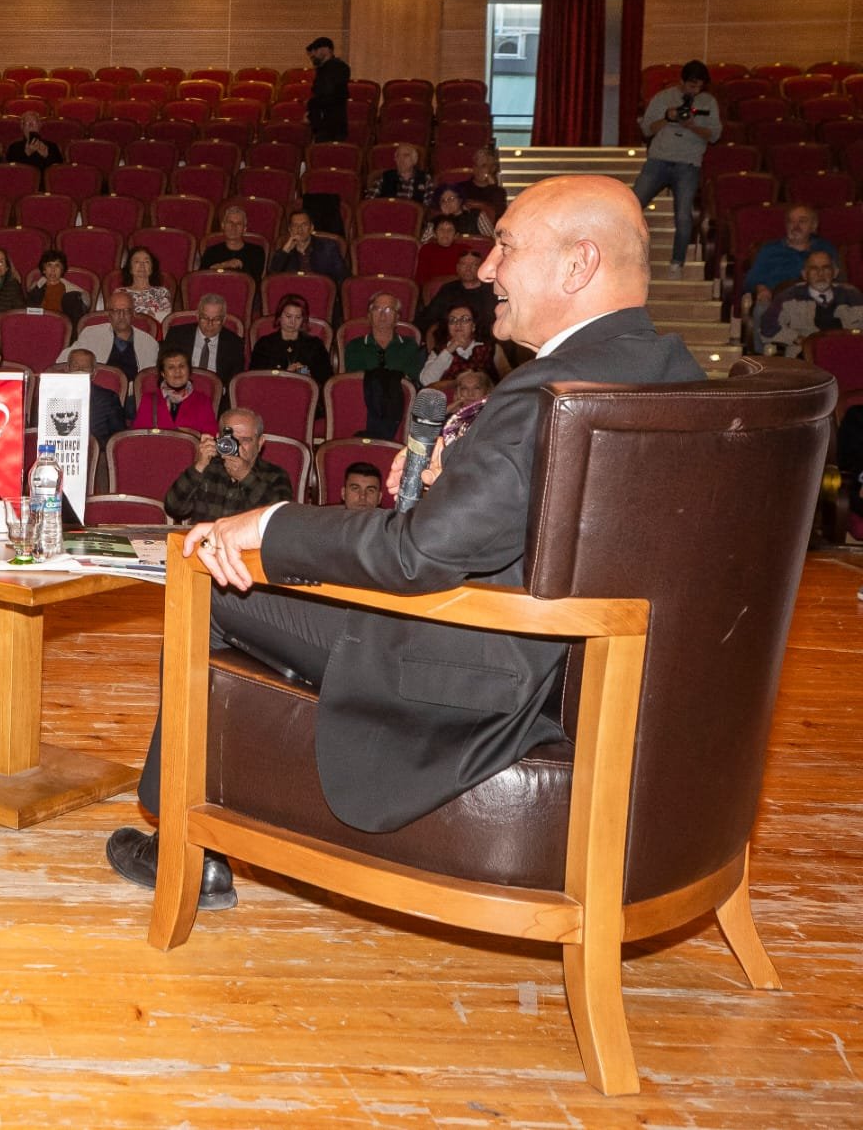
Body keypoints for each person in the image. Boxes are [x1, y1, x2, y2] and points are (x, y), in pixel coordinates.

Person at [111, 175, 707, 900]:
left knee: (205, 569)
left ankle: (184, 842)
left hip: (474, 664)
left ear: (578, 265)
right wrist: (459, 479)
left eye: (506, 247)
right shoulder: (670, 371)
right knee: (260, 599)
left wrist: (265, 522)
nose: (485, 269)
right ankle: (237, 798)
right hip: (570, 660)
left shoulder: (548, 391)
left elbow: (417, 554)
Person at [635, 59, 721, 279]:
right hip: (659, 160)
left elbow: (715, 136)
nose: (695, 90)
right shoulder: (663, 98)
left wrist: (693, 125)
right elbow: (646, 129)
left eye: (699, 86)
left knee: (683, 215)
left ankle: (677, 263)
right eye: (691, 85)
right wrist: (667, 117)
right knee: (632, 204)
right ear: (682, 81)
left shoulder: (708, 102)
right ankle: (624, 254)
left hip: (688, 164)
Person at [162, 406, 291, 528]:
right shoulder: (207, 468)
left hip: (248, 548)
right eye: (231, 439)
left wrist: (246, 476)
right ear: (218, 438)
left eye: (245, 440)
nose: (237, 445)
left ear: (260, 442)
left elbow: (282, 520)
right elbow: (174, 508)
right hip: (204, 545)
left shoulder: (275, 475)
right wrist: (199, 465)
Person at [740, 204, 840, 336]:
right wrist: (761, 288)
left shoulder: (825, 249)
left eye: (802, 221)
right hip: (778, 301)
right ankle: (764, 355)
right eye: (791, 221)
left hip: (818, 301)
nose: (796, 226)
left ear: (814, 226)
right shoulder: (769, 250)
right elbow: (750, 280)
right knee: (762, 309)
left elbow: (839, 279)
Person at [759, 250, 862, 355]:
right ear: (804, 274)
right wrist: (798, 339)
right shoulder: (789, 296)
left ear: (835, 272)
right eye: (814, 269)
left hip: (848, 353)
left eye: (826, 268)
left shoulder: (851, 295)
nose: (820, 273)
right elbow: (768, 326)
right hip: (805, 357)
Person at [71, 289, 159, 385]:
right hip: (96, 391)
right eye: (116, 311)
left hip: (131, 395)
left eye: (126, 310)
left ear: (133, 314)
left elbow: (149, 380)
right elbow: (63, 361)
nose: (122, 315)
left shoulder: (149, 342)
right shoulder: (91, 334)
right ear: (109, 315)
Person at [249, 294, 332, 383]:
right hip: (272, 391)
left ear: (303, 320)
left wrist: (305, 373)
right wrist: (285, 373)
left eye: (298, 317)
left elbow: (326, 379)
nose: (292, 322)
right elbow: (256, 376)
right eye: (288, 316)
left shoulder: (315, 345)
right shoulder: (265, 344)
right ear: (279, 316)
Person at [133, 348, 217, 434]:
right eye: (171, 367)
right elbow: (139, 436)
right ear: (163, 374)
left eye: (181, 366)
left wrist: (193, 434)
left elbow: (211, 435)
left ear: (189, 371)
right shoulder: (149, 400)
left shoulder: (203, 401)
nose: (177, 371)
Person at [341, 291, 422, 379]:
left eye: (388, 309)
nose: (382, 315)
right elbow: (355, 380)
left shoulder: (409, 345)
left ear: (397, 317)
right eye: (377, 309)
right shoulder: (355, 346)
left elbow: (411, 379)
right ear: (369, 315)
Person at [170, 292, 245, 387]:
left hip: (215, 394)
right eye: (205, 318)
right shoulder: (176, 335)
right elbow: (163, 369)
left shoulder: (235, 344)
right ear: (197, 316)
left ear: (224, 319)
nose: (210, 324)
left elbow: (235, 384)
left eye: (216, 319)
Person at [426, 249, 497, 344]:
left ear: (481, 268)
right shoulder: (448, 289)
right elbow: (430, 317)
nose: (468, 269)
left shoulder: (493, 290)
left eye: (474, 265)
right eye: (464, 264)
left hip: (486, 343)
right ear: (457, 268)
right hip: (451, 343)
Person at [65, 348, 131, 446]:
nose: (80, 371)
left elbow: (118, 435)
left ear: (94, 373)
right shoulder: (51, 396)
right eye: (75, 366)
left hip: (97, 453)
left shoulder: (109, 398)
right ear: (67, 369)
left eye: (85, 368)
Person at [420, 304, 496, 386]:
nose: (458, 324)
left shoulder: (489, 348)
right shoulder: (440, 350)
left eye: (464, 319)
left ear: (473, 326)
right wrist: (450, 349)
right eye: (452, 320)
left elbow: (505, 377)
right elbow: (426, 382)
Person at [267, 210, 345, 282]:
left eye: (304, 225)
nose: (299, 229)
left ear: (311, 228)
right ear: (290, 230)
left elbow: (342, 276)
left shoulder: (328, 248)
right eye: (295, 225)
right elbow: (272, 278)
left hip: (319, 292)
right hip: (292, 292)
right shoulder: (285, 251)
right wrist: (284, 252)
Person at [198, 205, 265, 284]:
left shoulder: (256, 252)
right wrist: (225, 264)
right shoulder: (211, 251)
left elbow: (255, 280)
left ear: (244, 229)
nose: (233, 227)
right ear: (223, 226)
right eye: (230, 222)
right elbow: (201, 278)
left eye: (239, 224)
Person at [304, 36, 350, 143]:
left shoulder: (336, 68)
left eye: (315, 51)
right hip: (326, 124)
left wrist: (311, 106)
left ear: (325, 49)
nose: (312, 55)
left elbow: (327, 94)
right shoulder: (327, 69)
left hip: (331, 125)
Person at [28, 249, 89, 324]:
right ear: (44, 270)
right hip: (38, 323)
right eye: (49, 265)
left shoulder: (71, 293)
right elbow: (30, 312)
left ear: (62, 270)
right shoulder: (36, 289)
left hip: (60, 326)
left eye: (57, 265)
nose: (53, 270)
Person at [368, 142, 434, 207]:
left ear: (415, 160)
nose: (401, 159)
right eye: (398, 156)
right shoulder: (385, 177)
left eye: (406, 155)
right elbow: (369, 202)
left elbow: (428, 206)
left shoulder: (425, 178)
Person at [117, 246, 173, 321]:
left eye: (146, 262)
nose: (142, 265)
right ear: (130, 268)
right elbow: (119, 318)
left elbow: (166, 318)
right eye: (137, 262)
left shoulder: (162, 292)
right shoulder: (120, 293)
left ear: (151, 268)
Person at [5, 111, 60, 179]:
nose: (31, 126)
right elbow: (10, 172)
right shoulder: (14, 147)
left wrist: (46, 156)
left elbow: (57, 173)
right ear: (22, 126)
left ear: (39, 125)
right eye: (27, 123)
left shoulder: (52, 146)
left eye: (34, 123)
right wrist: (26, 154)